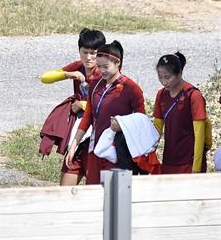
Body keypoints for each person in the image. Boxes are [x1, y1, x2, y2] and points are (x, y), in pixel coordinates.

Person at [65, 40, 145, 185]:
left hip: (118, 153)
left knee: (115, 200)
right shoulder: (95, 84)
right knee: (94, 196)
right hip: (96, 150)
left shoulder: (131, 88)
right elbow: (88, 117)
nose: (102, 71)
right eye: (99, 66)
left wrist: (122, 126)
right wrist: (73, 145)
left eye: (106, 67)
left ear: (118, 63)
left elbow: (141, 121)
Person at [40, 28, 105, 185]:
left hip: (97, 136)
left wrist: (82, 104)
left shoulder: (105, 72)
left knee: (95, 190)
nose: (89, 58)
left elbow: (107, 104)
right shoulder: (77, 67)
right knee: (65, 191)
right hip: (78, 134)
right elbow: (45, 78)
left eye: (94, 53)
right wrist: (68, 74)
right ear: (79, 51)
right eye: (85, 52)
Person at [152, 52, 209, 174]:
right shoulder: (161, 95)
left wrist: (196, 168)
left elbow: (200, 134)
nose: (164, 82)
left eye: (167, 77)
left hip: (189, 160)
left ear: (180, 73)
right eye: (160, 77)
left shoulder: (193, 95)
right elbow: (156, 129)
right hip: (169, 158)